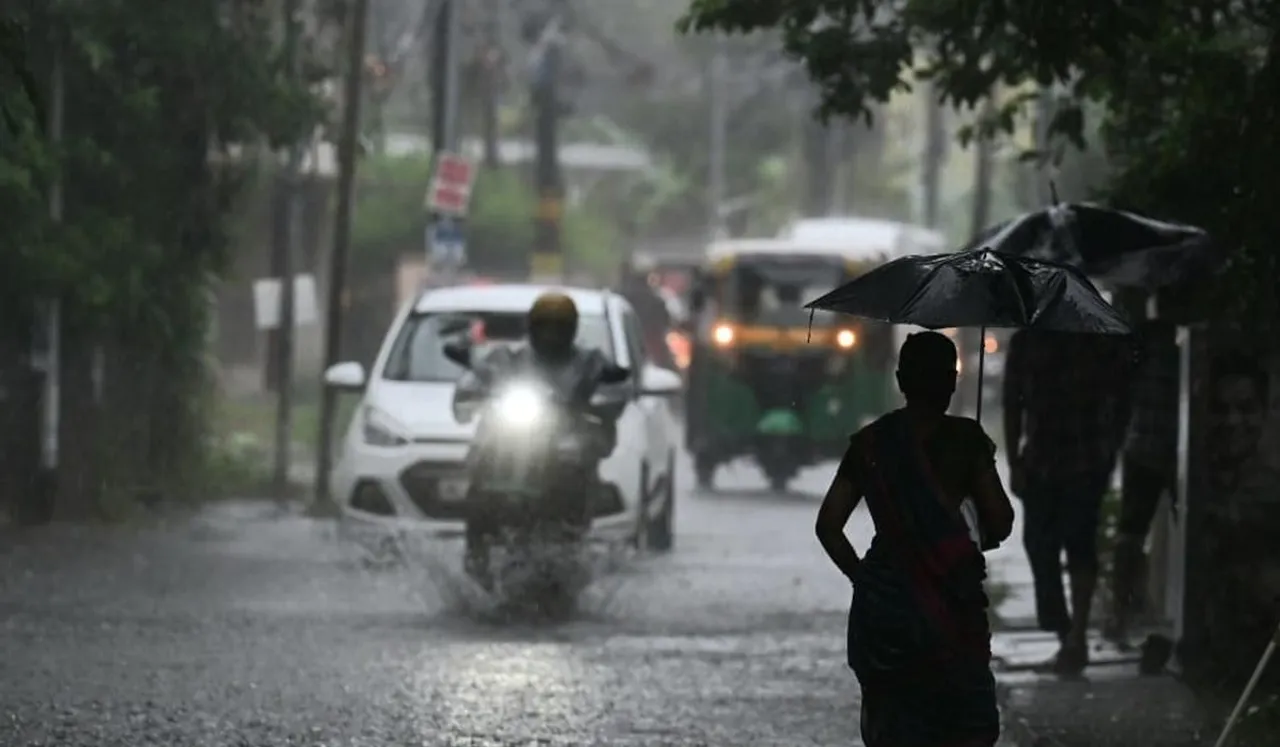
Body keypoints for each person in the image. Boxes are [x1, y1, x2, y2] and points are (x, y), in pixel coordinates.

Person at [816, 331, 1015, 747]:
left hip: (886, 609)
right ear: (952, 382)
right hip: (952, 602)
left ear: (901, 380)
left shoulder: (871, 443)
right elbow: (1000, 521)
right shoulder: (967, 441)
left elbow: (829, 525)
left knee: (894, 722)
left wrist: (865, 580)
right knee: (962, 725)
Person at [454, 291, 628, 588]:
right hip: (512, 436)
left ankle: (570, 541)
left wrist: (607, 392)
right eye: (545, 325)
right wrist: (472, 389)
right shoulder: (508, 356)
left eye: (559, 327)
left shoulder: (589, 360)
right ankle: (477, 545)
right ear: (531, 327)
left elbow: (614, 386)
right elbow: (477, 374)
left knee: (577, 466)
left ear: (571, 330)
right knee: (480, 454)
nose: (551, 333)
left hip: (564, 442)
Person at [1002, 329, 1133, 674]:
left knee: (1079, 545)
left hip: (1086, 461)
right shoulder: (1028, 341)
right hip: (1042, 463)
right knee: (1039, 546)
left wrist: (1111, 450)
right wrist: (1014, 461)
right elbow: (1012, 403)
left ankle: (1075, 639)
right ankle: (1065, 630)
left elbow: (1122, 396)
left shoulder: (1099, 341)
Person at [1107, 318, 1180, 645]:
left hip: (1144, 446)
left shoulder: (1142, 343)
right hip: (1168, 447)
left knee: (1130, 535)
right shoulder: (1175, 346)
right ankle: (1122, 614)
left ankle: (1120, 615)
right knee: (1132, 536)